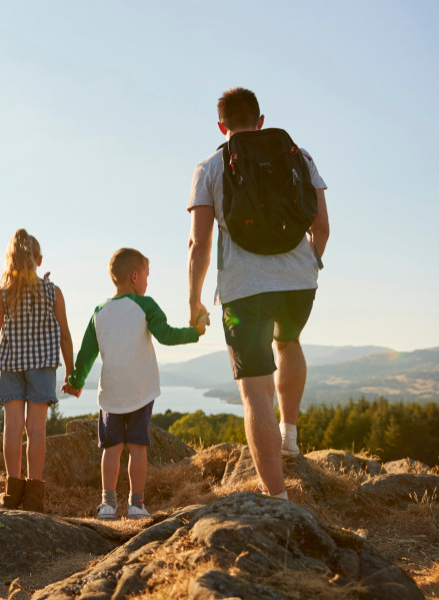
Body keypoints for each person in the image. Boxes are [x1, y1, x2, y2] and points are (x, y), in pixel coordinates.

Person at [186, 87, 330, 499]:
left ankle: (278, 499)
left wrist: (194, 298)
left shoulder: (210, 167)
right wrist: (310, 263)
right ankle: (290, 434)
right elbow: (321, 227)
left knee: (254, 391)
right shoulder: (299, 157)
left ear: (221, 125)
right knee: (288, 342)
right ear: (261, 120)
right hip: (300, 283)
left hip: (244, 290)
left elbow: (200, 243)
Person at [62, 249, 204, 519]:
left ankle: (108, 505)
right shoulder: (146, 304)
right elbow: (166, 335)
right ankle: (137, 505)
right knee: (138, 449)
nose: (147, 283)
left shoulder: (99, 312)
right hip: (140, 391)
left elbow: (86, 354)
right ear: (135, 277)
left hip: (111, 394)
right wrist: (194, 333)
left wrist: (76, 382)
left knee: (111, 450)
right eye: (147, 277)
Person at [0, 229, 74, 512]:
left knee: (12, 428)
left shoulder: (3, 293)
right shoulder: (53, 292)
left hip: (10, 363)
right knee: (36, 429)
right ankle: (35, 495)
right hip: (42, 365)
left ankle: (12, 492)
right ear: (38, 259)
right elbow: (64, 336)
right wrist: (72, 373)